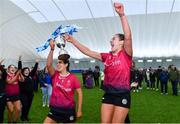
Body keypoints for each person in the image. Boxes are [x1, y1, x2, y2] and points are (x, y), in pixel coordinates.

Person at [63, 2, 132, 123]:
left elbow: (128, 36)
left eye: (114, 39)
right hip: (109, 94)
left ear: (121, 42)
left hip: (122, 95)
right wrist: (73, 41)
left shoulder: (126, 54)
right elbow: (87, 51)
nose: (111, 40)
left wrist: (122, 15)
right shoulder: (107, 56)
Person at [43, 40, 83, 123]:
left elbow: (80, 94)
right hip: (55, 110)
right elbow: (49, 65)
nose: (57, 64)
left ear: (66, 65)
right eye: (57, 63)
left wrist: (79, 110)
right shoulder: (55, 75)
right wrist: (52, 49)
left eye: (60, 62)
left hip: (68, 110)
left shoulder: (73, 78)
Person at [5, 56, 22, 123]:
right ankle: (9, 121)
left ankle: (14, 122)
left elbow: (22, 80)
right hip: (8, 95)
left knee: (18, 109)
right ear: (8, 69)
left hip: (16, 95)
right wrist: (17, 74)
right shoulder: (6, 75)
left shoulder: (16, 75)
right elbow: (9, 82)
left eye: (14, 68)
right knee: (11, 110)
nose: (13, 68)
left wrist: (20, 74)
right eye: (11, 67)